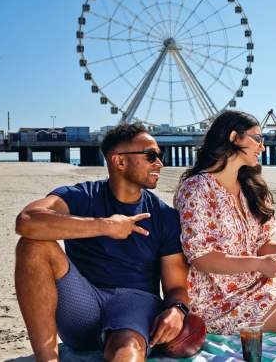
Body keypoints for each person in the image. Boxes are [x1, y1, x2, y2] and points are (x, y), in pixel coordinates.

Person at [15, 123, 189, 362]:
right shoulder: (82, 196)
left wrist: (177, 310)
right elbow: (26, 221)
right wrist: (105, 226)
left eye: (160, 156)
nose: (159, 162)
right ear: (119, 161)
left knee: (127, 351)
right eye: (150, 155)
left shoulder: (164, 216)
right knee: (32, 245)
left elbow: (176, 287)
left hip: (134, 303)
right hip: (81, 304)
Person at [174, 111, 276, 334]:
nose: (262, 147)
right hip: (218, 294)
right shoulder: (197, 189)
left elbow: (259, 246)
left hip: (255, 279)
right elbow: (201, 258)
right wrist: (259, 264)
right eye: (257, 138)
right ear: (234, 137)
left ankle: (274, 310)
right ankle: (230, 322)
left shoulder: (250, 187)